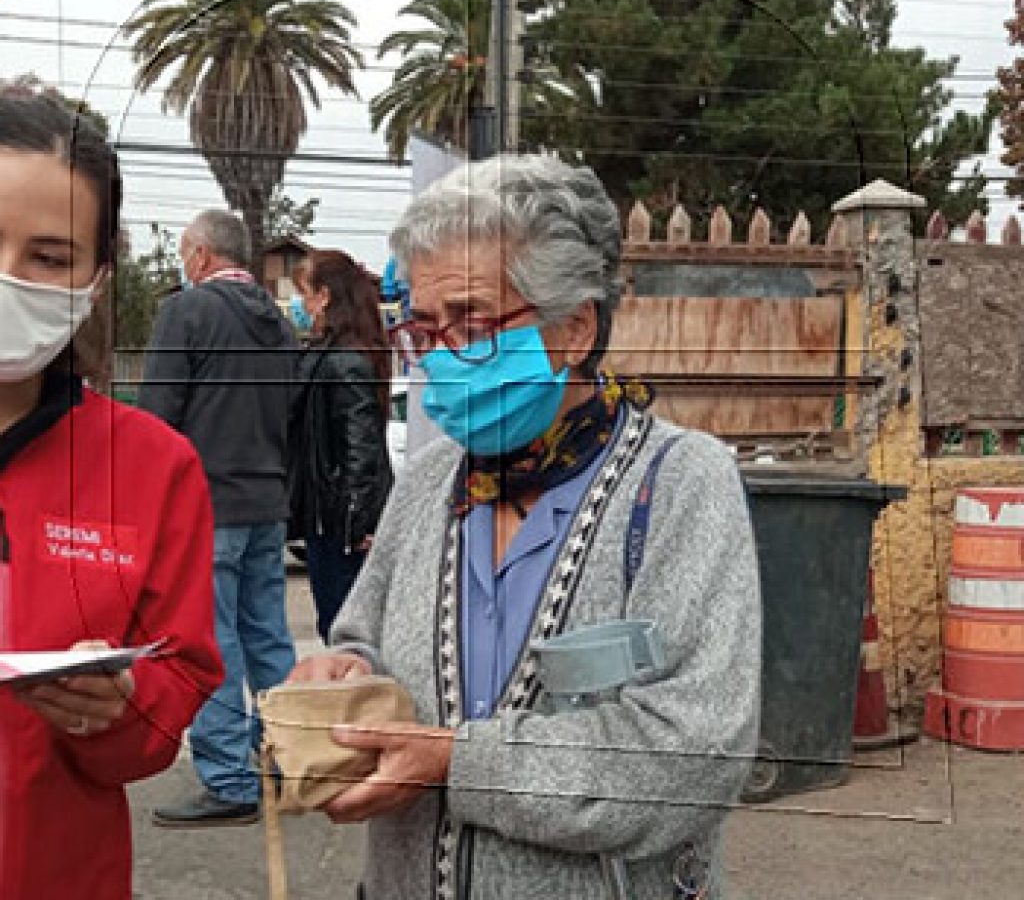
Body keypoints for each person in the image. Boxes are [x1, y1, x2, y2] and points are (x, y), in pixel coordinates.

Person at [290, 154, 761, 900]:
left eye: (471, 325)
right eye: (426, 330)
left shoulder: (679, 485)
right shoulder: (428, 480)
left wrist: (457, 760)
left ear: (572, 328)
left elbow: (692, 755)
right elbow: (362, 639)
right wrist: (344, 680)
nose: (443, 358)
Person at [0, 86, 223, 898]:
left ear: (95, 280)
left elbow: (179, 686)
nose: (9, 278)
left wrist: (118, 705)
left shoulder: (152, 468)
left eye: (48, 256)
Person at [138, 209, 297, 827]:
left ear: (202, 256)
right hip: (266, 499)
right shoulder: (280, 326)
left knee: (215, 642)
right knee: (268, 637)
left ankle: (230, 779)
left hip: (206, 503)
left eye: (184, 252)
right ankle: (285, 756)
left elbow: (157, 418)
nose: (183, 262)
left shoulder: (188, 312)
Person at [290, 249, 394, 643]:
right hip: (330, 516)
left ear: (325, 296)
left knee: (343, 630)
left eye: (306, 293)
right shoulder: (335, 354)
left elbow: (360, 447)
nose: (302, 304)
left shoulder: (344, 361)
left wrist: (357, 520)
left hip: (339, 523)